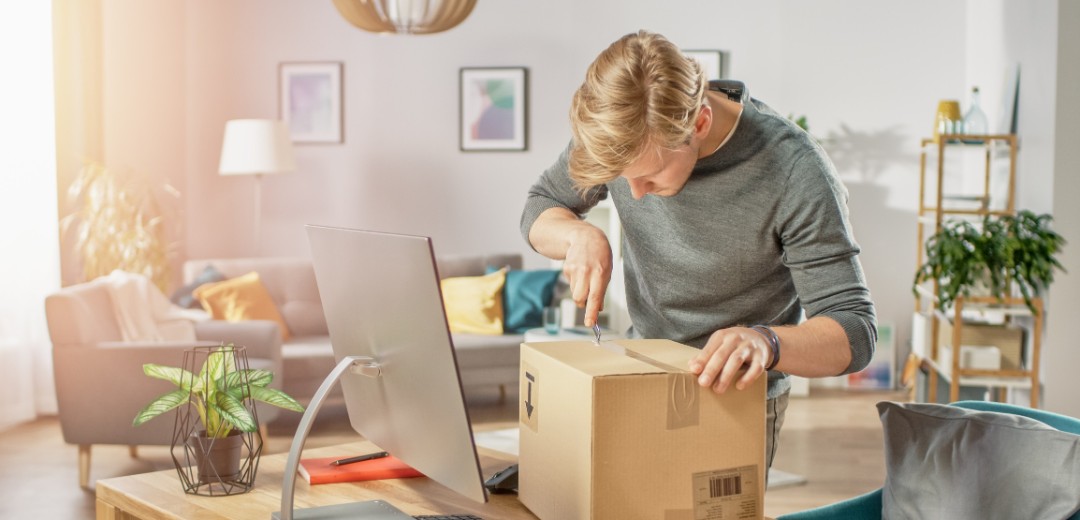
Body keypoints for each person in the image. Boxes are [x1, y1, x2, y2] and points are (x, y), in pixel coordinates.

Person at [519, 30, 876, 472]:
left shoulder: (795, 170)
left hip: (736, 400)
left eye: (649, 175)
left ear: (700, 123)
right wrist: (576, 234)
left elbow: (855, 331)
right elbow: (541, 206)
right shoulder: (618, 132)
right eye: (621, 178)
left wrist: (766, 341)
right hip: (639, 378)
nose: (634, 194)